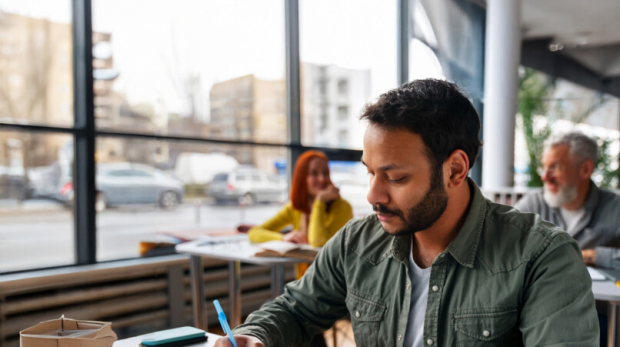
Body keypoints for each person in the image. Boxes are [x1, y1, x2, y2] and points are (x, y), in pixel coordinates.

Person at [216, 79, 598, 347]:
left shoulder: (542, 256)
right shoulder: (356, 242)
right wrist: (258, 335)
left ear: (455, 170)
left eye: (395, 177)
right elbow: (296, 310)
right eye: (370, 172)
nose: (373, 195)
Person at [515, 132, 620, 270]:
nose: (545, 177)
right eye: (544, 167)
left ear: (585, 170)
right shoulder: (533, 204)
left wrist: (590, 255)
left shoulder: (615, 208)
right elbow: (500, 242)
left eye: (554, 167)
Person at [248, 150, 353, 277]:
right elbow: (254, 233)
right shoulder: (294, 208)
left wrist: (319, 202)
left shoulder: (342, 207)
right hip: (304, 282)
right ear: (302, 178)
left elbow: (318, 242)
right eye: (314, 173)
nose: (322, 179)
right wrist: (283, 238)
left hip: (334, 284)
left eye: (325, 173)